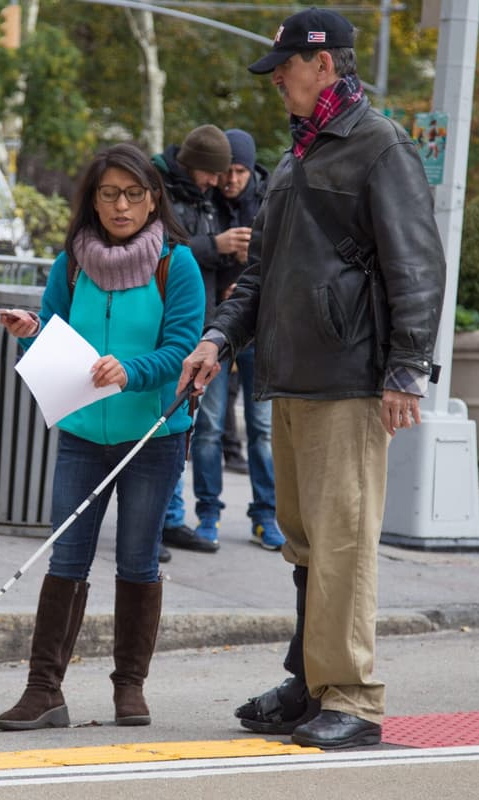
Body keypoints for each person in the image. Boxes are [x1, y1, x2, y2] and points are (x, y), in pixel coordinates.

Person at [180, 8, 445, 749]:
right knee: (303, 543)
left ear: (324, 66)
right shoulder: (300, 157)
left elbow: (418, 267)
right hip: (293, 374)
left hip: (351, 378)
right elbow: (263, 273)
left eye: (286, 70)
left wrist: (405, 372)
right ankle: (311, 683)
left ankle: (353, 698)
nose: (278, 86)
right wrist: (216, 340)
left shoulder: (379, 147)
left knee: (341, 543)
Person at [0, 143, 203, 730]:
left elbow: (183, 350)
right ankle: (43, 691)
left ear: (153, 198)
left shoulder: (176, 263)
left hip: (153, 437)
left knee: (137, 560)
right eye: (108, 194)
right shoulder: (72, 264)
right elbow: (55, 342)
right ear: (91, 200)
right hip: (84, 434)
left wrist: (132, 371)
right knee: (67, 557)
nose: (120, 205)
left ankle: (129, 687)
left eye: (133, 194)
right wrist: (28, 333)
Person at [189, 128, 284, 553]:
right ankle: (208, 513)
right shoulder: (203, 200)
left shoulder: (271, 200)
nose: (230, 180)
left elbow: (289, 261)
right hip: (215, 329)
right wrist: (219, 247)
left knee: (262, 429)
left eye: (240, 171)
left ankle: (266, 515)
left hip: (260, 331)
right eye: (226, 172)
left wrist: (253, 264)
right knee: (208, 427)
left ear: (251, 170)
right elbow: (178, 250)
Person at [149, 125, 236, 555]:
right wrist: (214, 244)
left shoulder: (207, 198)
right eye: (212, 174)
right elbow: (162, 249)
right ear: (194, 166)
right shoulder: (158, 189)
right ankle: (154, 521)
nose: (217, 183)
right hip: (165, 324)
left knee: (186, 427)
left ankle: (170, 518)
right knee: (162, 423)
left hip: (202, 324)